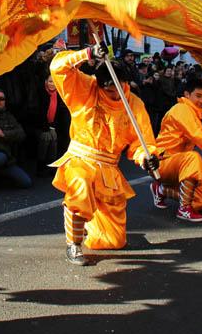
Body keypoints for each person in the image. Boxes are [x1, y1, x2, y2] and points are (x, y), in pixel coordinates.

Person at [49, 45, 158, 265]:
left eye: (120, 87)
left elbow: (141, 142)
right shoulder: (85, 88)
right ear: (99, 85)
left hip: (109, 169)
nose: (116, 93)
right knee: (81, 184)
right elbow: (58, 67)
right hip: (81, 158)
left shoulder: (134, 104)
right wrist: (86, 54)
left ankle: (90, 222)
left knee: (112, 242)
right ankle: (74, 243)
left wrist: (147, 157)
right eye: (109, 90)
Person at [151, 78, 202, 223]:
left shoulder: (193, 112)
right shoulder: (181, 109)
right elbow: (200, 137)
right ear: (187, 94)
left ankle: (161, 190)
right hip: (163, 163)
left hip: (179, 166)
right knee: (193, 157)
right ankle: (184, 209)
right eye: (198, 96)